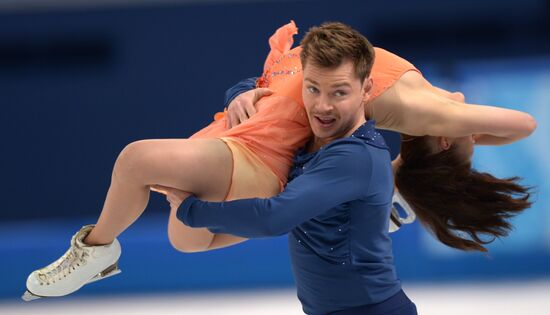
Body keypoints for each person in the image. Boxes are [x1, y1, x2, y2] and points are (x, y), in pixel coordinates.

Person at [22, 20, 533, 301]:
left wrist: (458, 122)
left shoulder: (417, 109)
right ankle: (387, 204)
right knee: (183, 235)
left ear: (442, 139)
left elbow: (521, 124)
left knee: (141, 166)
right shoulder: (357, 74)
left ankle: (96, 250)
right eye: (319, 89)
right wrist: (244, 89)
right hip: (247, 139)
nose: (324, 101)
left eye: (337, 91)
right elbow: (274, 81)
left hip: (259, 158)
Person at [176, 22, 417, 314]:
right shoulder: (309, 143)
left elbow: (273, 218)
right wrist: (240, 94)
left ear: (366, 89)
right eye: (313, 89)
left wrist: (191, 210)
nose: (322, 106)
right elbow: (261, 82)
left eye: (339, 93)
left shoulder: (356, 155)